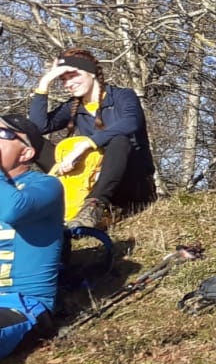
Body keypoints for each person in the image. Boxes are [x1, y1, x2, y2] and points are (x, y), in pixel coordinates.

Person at [29, 49, 157, 229]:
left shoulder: (122, 96)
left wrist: (86, 144)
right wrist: (45, 82)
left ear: (91, 72)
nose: (68, 84)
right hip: (89, 177)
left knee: (119, 140)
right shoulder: (73, 106)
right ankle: (20, 195)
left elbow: (131, 123)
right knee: (29, 139)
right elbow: (38, 127)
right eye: (63, 79)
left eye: (72, 76)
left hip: (131, 183)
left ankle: (93, 208)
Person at [0, 116, 64, 360]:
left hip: (22, 306)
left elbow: (13, 210)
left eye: (2, 133)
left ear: (26, 153)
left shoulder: (46, 185)